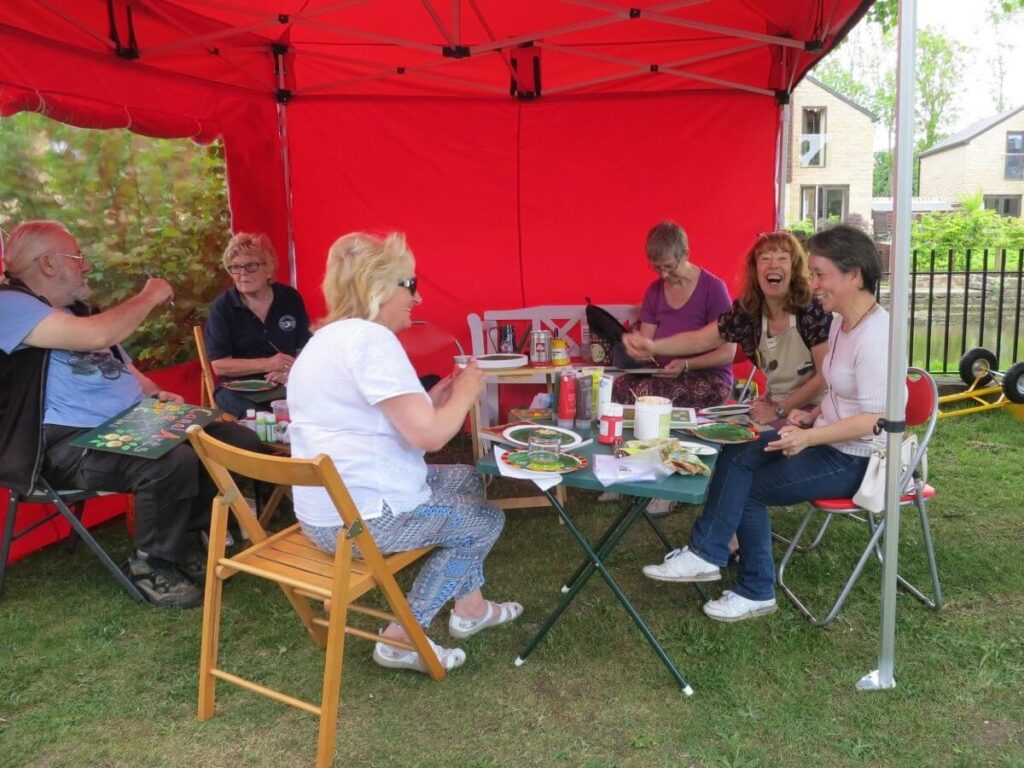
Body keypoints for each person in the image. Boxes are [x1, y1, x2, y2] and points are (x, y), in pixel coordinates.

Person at [287, 231, 522, 674]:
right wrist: (467, 393)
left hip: (325, 510)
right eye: (409, 285)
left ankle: (469, 608)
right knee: (485, 521)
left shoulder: (324, 340)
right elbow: (428, 438)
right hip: (362, 520)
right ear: (378, 287)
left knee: (467, 478)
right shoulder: (372, 341)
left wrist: (436, 397)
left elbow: (387, 421)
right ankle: (401, 637)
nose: (417, 297)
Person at [0, 220, 261, 608]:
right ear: (49, 264)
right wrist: (150, 295)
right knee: (170, 459)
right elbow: (97, 337)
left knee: (233, 438)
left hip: (129, 424)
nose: (86, 265)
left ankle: (187, 538)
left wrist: (156, 394)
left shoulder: (75, 312)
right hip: (63, 443)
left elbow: (118, 363)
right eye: (78, 256)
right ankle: (151, 563)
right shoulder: (8, 305)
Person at [641, 224, 888, 622]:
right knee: (737, 455)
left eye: (819, 273)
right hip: (825, 438)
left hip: (858, 460)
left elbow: (877, 420)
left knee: (748, 488)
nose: (814, 282)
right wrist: (808, 416)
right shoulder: (844, 324)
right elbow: (841, 397)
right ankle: (707, 554)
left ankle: (752, 587)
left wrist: (810, 434)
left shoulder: (876, 334)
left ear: (854, 274)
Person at [623, 230, 831, 426]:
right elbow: (700, 339)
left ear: (794, 269)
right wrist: (651, 346)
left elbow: (823, 378)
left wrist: (778, 410)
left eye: (782, 258)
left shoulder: (812, 309)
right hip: (772, 404)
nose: (773, 265)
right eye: (765, 259)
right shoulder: (748, 310)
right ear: (755, 269)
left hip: (812, 411)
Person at [611, 221, 735, 409]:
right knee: (618, 387)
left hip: (708, 377)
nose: (663, 275)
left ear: (685, 254)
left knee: (648, 394)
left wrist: (686, 364)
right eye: (657, 267)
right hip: (664, 374)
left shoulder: (713, 289)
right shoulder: (654, 291)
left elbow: (727, 353)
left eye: (669, 267)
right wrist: (637, 347)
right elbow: (648, 346)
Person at [204, 233, 312, 418]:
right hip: (236, 388)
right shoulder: (223, 307)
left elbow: (306, 347)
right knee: (264, 417)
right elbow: (220, 365)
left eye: (251, 266)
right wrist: (268, 364)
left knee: (321, 403)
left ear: (269, 269)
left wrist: (292, 371)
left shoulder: (289, 298)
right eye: (235, 268)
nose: (243, 274)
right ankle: (273, 442)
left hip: (286, 381)